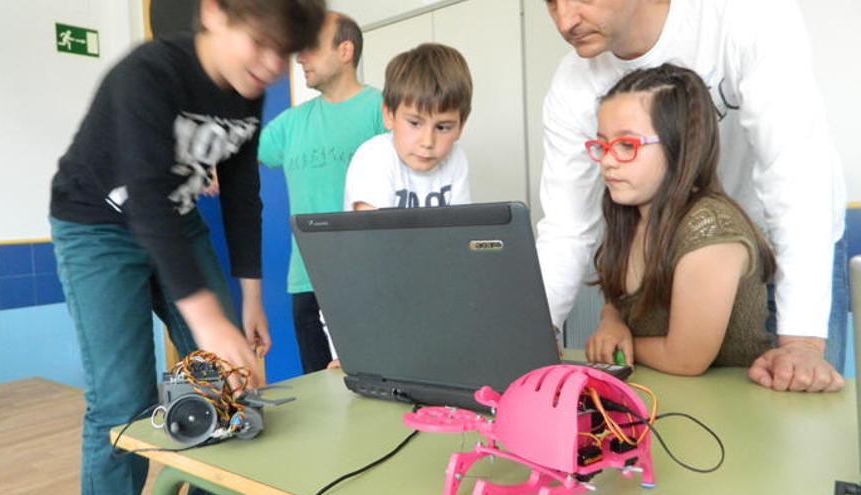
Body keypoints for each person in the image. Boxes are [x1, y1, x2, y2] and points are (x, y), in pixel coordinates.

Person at [48, 0, 325, 493]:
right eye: (260, 44)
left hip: (177, 220)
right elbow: (146, 200)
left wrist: (251, 299)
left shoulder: (248, 88)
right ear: (215, 13)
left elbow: (243, 194)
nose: (271, 66)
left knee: (227, 383)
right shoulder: (147, 74)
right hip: (98, 227)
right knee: (121, 403)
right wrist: (209, 320)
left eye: (283, 53)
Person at [537, 0, 846, 392]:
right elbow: (567, 226)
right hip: (668, 247)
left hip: (779, 247)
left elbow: (795, 176)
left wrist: (802, 343)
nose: (565, 21)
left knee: (795, 409)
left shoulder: (745, 14)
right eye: (551, 3)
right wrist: (533, 333)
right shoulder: (572, 82)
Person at [585, 63, 778, 375]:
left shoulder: (710, 229)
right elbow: (618, 299)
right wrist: (612, 321)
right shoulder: (627, 212)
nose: (607, 161)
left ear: (680, 146)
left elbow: (686, 360)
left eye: (626, 145)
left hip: (724, 410)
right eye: (603, 144)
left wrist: (624, 340)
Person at [258, 11, 386, 374]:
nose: (300, 57)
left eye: (311, 47)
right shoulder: (291, 124)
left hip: (368, 279)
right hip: (306, 281)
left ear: (345, 51)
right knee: (321, 394)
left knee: (376, 387)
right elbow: (235, 154)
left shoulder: (383, 110)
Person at [344, 42, 472, 211]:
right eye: (414, 123)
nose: (427, 142)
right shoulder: (373, 157)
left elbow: (462, 228)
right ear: (389, 115)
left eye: (442, 127)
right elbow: (374, 235)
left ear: (461, 126)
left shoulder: (456, 158)